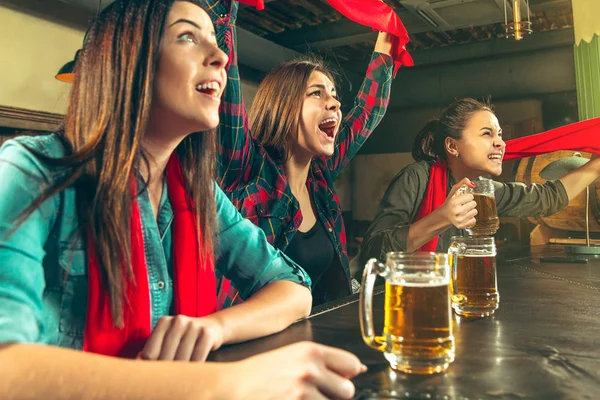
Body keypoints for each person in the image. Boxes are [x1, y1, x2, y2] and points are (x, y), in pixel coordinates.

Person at [0, 1, 364, 398]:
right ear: (129, 59)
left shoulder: (197, 192)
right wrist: (231, 384)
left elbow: (294, 288)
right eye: (188, 37)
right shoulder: (32, 170)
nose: (220, 56)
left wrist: (212, 327)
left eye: (215, 41)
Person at [214, 0, 397, 306]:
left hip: (310, 344)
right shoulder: (246, 168)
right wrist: (223, 14)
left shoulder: (319, 178)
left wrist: (387, 33)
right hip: (245, 349)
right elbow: (227, 84)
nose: (335, 104)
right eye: (317, 93)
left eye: (335, 96)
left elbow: (368, 110)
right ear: (283, 105)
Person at [359, 97, 600, 262]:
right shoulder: (416, 179)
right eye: (487, 134)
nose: (500, 143)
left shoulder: (484, 190)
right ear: (453, 146)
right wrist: (441, 218)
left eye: (500, 135)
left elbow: (548, 198)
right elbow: (373, 251)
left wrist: (596, 166)